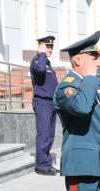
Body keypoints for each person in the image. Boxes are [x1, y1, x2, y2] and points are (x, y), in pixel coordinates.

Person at [53, 31, 100, 191]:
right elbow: (82, 108)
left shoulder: (86, 85)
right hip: (81, 163)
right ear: (77, 60)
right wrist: (91, 78)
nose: (97, 61)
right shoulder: (67, 87)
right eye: (92, 57)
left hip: (96, 162)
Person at [30, 35, 59, 176]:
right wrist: (41, 53)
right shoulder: (38, 61)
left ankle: (46, 163)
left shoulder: (46, 62)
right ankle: (42, 166)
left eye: (51, 47)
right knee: (44, 134)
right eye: (47, 46)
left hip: (51, 102)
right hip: (42, 102)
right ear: (40, 46)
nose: (50, 49)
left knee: (50, 135)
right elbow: (40, 71)